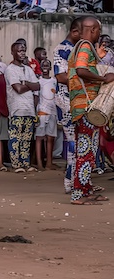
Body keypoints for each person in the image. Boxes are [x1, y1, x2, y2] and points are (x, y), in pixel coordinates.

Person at [68, 16, 114, 205]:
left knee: (88, 150)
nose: (99, 34)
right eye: (98, 30)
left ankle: (85, 189)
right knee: (86, 151)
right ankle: (79, 194)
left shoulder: (82, 46)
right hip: (85, 107)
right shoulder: (85, 46)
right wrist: (104, 80)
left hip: (82, 107)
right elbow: (80, 70)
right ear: (93, 30)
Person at [53, 17, 82, 194]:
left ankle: (75, 181)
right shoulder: (63, 49)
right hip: (66, 100)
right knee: (73, 142)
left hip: (73, 99)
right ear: (74, 32)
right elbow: (60, 76)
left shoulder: (76, 49)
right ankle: (70, 182)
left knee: (77, 143)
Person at [5, 42, 40, 173]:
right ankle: (16, 164)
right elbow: (18, 89)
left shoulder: (29, 69)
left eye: (24, 50)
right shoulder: (10, 69)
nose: (22, 53)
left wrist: (25, 83)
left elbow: (38, 86)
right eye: (19, 51)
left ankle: (25, 163)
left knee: (26, 139)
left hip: (29, 109)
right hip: (17, 109)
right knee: (16, 138)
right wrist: (29, 85)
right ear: (13, 52)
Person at [35, 59, 57, 170]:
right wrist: (35, 113)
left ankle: (49, 163)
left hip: (52, 112)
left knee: (50, 138)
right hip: (41, 112)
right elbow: (36, 97)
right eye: (43, 65)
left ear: (50, 68)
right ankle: (39, 163)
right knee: (39, 137)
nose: (45, 67)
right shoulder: (38, 81)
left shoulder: (54, 81)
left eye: (47, 65)